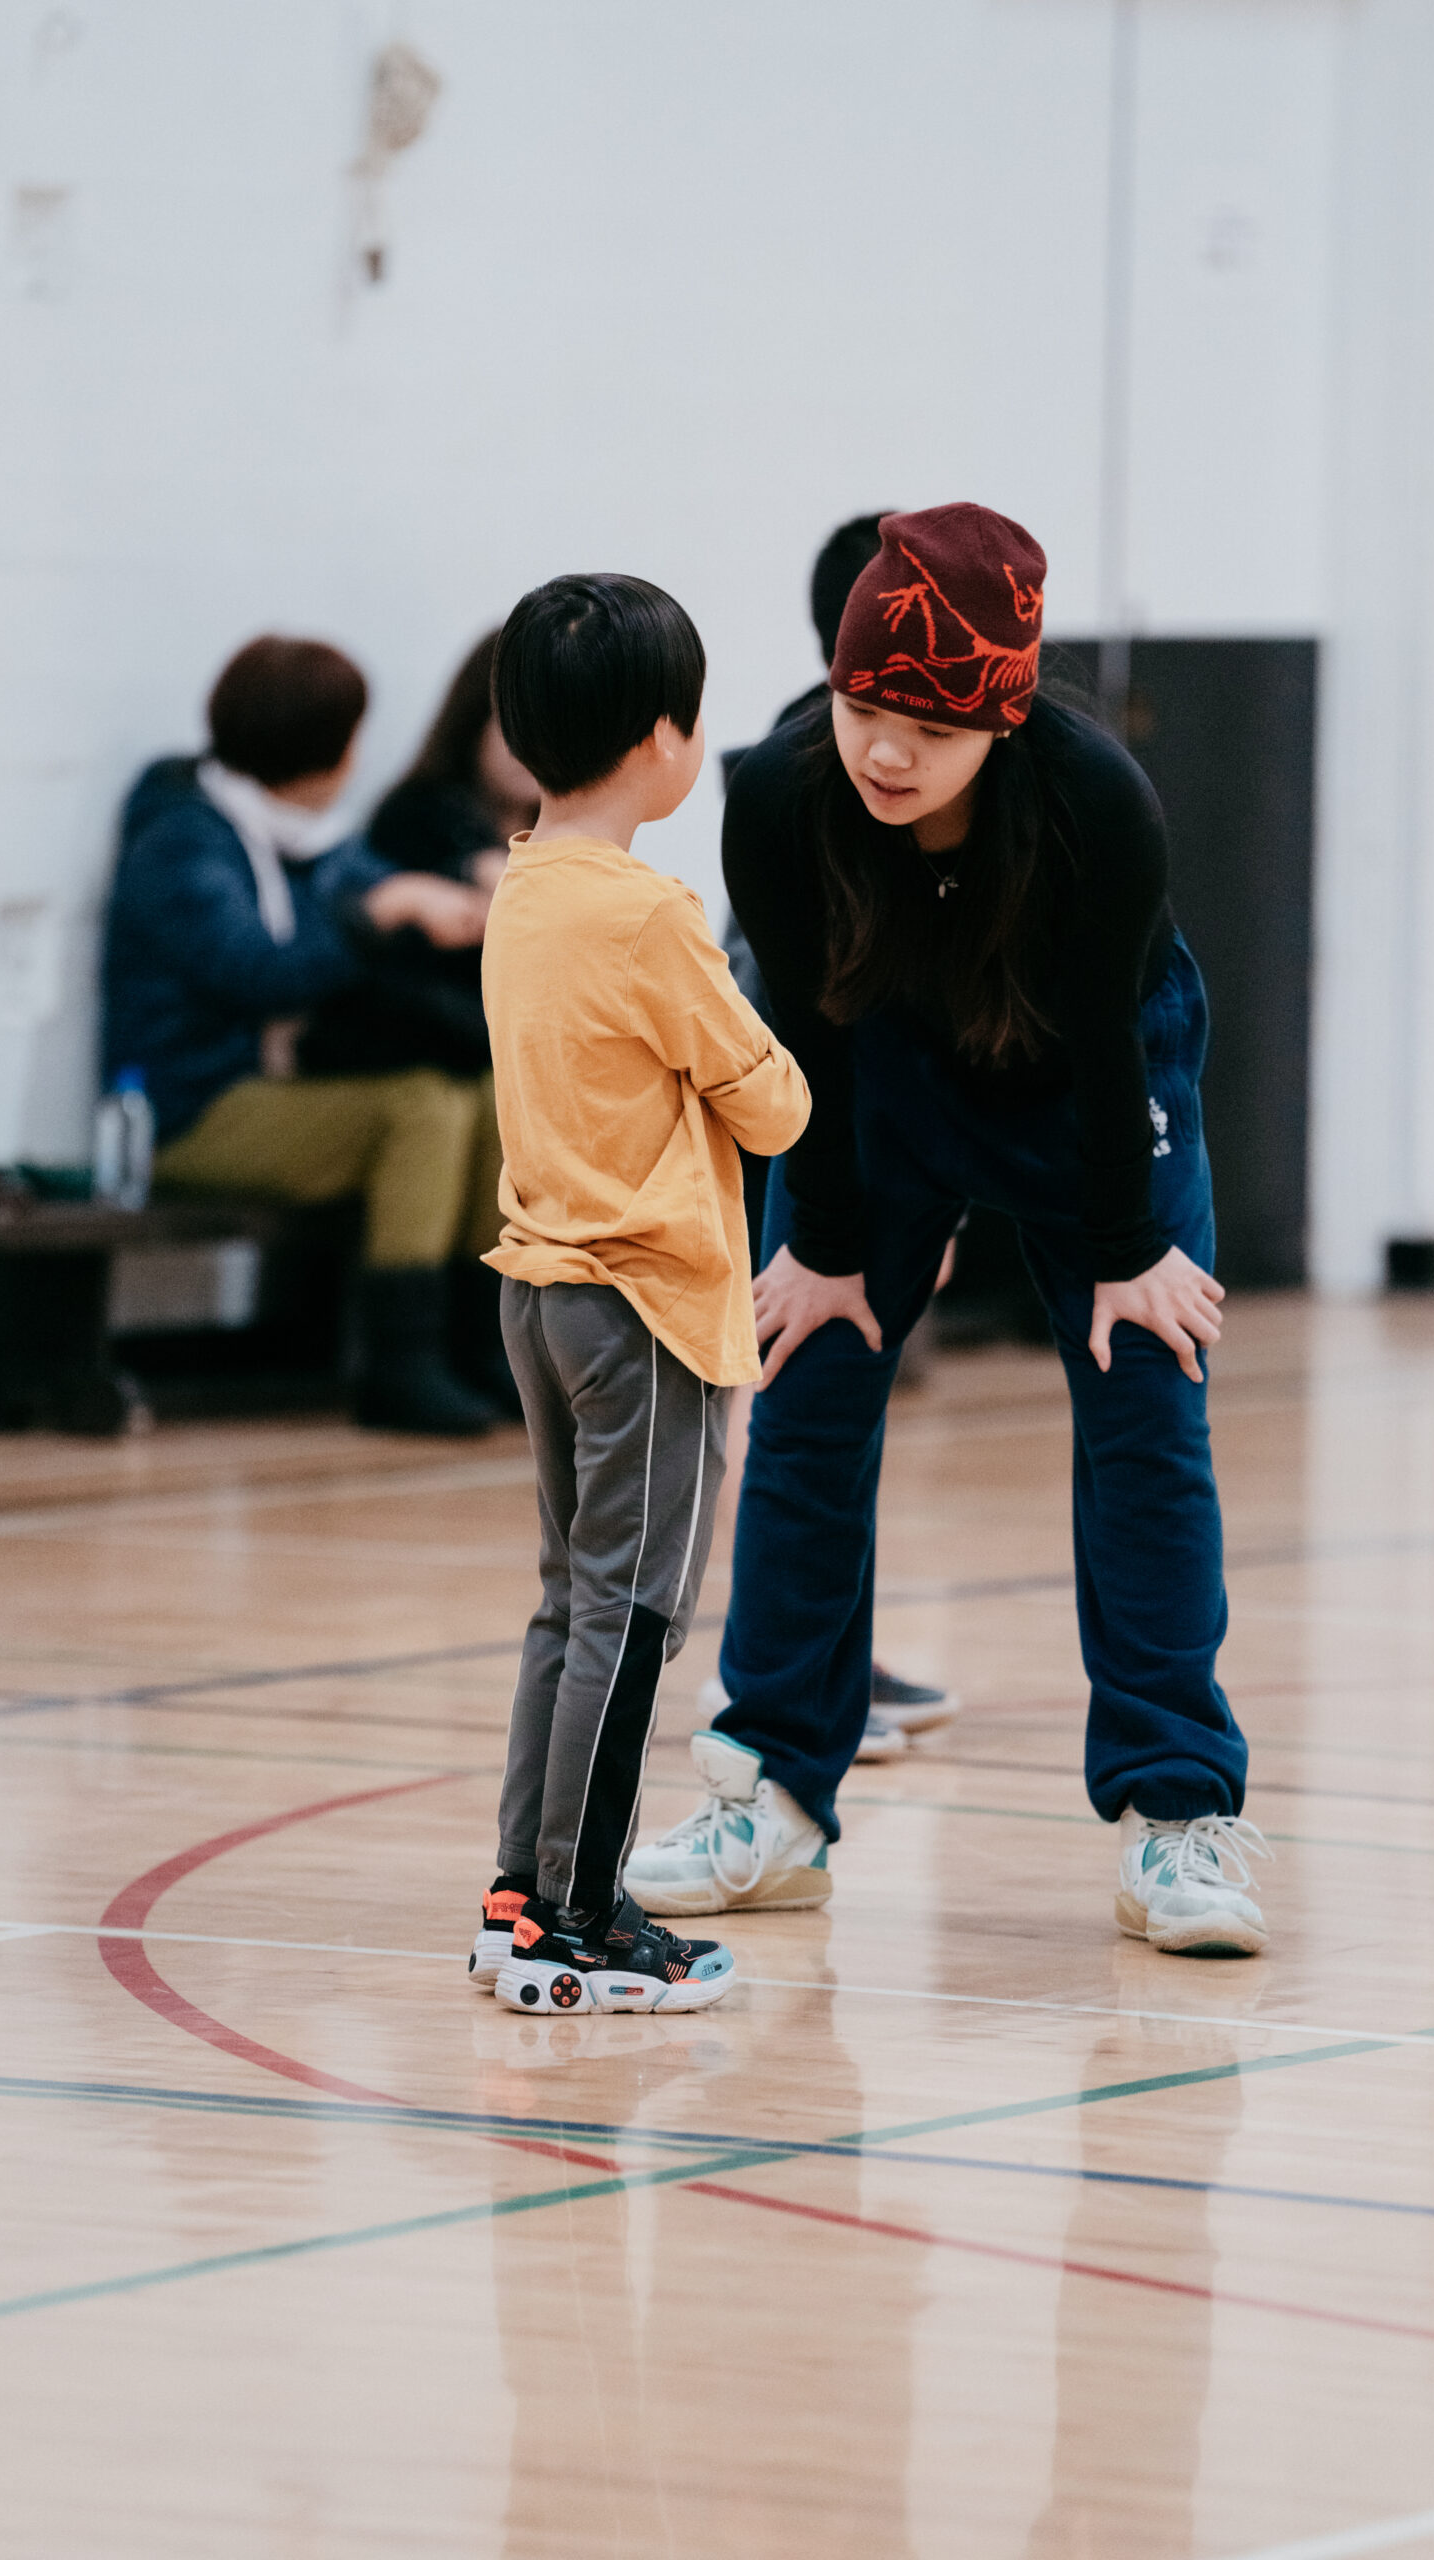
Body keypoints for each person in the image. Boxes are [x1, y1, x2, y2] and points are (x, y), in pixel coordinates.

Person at [628, 504, 1271, 1958]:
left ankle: (1177, 1816)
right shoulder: (783, 794)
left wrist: (1122, 1250)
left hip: (1090, 1085)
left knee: (1147, 1412)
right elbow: (807, 1033)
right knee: (798, 1385)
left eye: (924, 718)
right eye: (863, 704)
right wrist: (832, 1247)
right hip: (873, 1072)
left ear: (1000, 713)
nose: (883, 750)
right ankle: (775, 1795)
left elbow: (1106, 1041)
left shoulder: (1096, 803)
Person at [465, 573, 810, 2014]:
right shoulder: (650, 916)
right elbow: (775, 1106)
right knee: (634, 1613)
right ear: (664, 738)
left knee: (570, 1607)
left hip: (538, 1296)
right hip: (642, 1311)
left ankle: (522, 1897)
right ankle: (581, 1919)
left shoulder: (522, 888)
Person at [102, 634, 507, 1437]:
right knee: (420, 1106)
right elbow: (259, 971)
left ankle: (481, 1343)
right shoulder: (182, 839)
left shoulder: (300, 837)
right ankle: (400, 1360)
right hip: (191, 1109)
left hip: (277, 1098)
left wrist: (457, 894)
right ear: (320, 750)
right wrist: (383, 915)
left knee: (490, 1095)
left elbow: (367, 884)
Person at [714, 512, 961, 1761]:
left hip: (853, 1120)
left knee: (832, 1394)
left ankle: (832, 1658)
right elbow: (779, 996)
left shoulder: (939, 772)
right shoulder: (793, 777)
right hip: (781, 1114)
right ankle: (786, 1679)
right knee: (794, 1396)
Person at [296, 632, 544, 1411]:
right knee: (465, 1102)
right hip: (394, 1047)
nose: (526, 748)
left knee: (507, 1102)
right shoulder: (422, 812)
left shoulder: (548, 832)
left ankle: (484, 1341)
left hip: (463, 1052)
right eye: (511, 723)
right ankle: (411, 1354)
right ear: (470, 721)